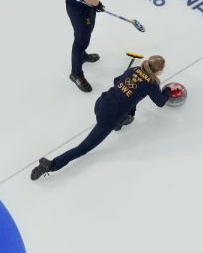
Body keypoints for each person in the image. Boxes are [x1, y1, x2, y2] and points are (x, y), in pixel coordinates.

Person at [31, 55, 172, 180]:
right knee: (83, 148)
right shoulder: (152, 85)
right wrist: (167, 91)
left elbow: (116, 81)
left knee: (129, 102)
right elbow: (160, 103)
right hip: (109, 118)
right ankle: (51, 165)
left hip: (100, 103)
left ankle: (121, 121)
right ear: (159, 71)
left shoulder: (133, 69)